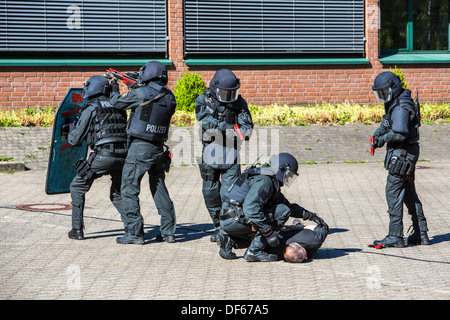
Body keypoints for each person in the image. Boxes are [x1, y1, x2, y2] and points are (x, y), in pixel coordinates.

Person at [109, 61, 177, 245]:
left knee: (129, 188)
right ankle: (168, 232)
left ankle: (134, 232)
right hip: (158, 148)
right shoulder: (170, 96)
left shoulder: (141, 93)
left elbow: (117, 103)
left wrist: (115, 87)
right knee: (159, 188)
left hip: (140, 147)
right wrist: (134, 87)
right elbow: (150, 108)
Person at [217, 152, 327, 262]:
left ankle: (228, 240)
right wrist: (268, 231)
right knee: (281, 213)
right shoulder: (265, 181)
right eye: (289, 175)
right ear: (282, 169)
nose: (288, 179)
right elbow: (251, 209)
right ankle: (254, 251)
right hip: (236, 219)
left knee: (266, 226)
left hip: (228, 218)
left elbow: (287, 204)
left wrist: (310, 216)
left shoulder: (265, 176)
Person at [370, 71, 429, 247]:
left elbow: (400, 133)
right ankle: (421, 234)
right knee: (409, 193)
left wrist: (383, 139)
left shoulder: (402, 106)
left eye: (384, 91)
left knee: (393, 192)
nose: (382, 96)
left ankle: (395, 236)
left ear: (393, 87)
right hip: (406, 153)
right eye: (379, 93)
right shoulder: (395, 101)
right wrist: (377, 133)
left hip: (402, 154)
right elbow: (388, 122)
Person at [195, 69, 253, 242]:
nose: (228, 96)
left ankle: (227, 229)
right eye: (224, 92)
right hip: (210, 152)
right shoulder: (203, 99)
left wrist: (238, 133)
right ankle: (218, 226)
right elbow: (203, 119)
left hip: (231, 154)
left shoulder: (239, 103)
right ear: (215, 87)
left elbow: (247, 126)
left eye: (231, 92)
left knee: (229, 194)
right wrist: (224, 127)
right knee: (209, 192)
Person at [67, 75, 128, 240]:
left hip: (104, 156)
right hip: (124, 155)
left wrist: (71, 129)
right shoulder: (119, 105)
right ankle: (134, 227)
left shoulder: (91, 107)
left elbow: (74, 140)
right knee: (117, 194)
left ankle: (77, 230)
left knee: (77, 186)